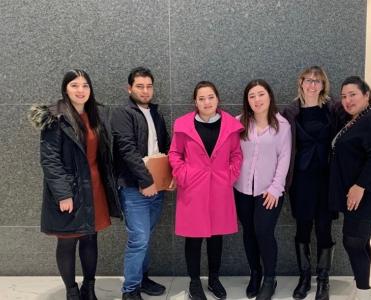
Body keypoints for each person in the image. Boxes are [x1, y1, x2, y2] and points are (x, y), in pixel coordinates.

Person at [30, 69, 121, 300]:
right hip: (70, 189)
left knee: (90, 237)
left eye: (85, 86)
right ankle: (72, 291)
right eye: (74, 85)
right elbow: (49, 160)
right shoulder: (56, 117)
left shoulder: (97, 115)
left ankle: (89, 288)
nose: (81, 90)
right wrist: (63, 194)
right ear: (65, 89)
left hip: (95, 187)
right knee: (68, 240)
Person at [168, 81, 244, 300]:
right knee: (193, 238)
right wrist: (183, 175)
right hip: (193, 189)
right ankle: (194, 282)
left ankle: (213, 278)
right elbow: (174, 154)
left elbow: (236, 155)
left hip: (220, 188)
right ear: (195, 102)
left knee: (216, 237)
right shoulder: (183, 125)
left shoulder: (230, 125)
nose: (206, 102)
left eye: (210, 97)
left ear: (217, 99)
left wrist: (229, 176)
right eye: (201, 98)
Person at [281, 66, 343, 300]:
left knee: (324, 228)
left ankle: (323, 279)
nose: (313, 85)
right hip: (301, 179)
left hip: (327, 179)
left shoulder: (333, 108)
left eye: (318, 81)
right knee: (303, 227)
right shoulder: (291, 111)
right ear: (301, 82)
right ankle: (305, 277)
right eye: (309, 80)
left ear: (323, 85)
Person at [329, 76, 371, 300]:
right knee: (360, 241)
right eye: (344, 96)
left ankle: (363, 291)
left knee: (353, 241)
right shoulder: (356, 119)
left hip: (366, 195)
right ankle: (361, 284)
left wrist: (361, 185)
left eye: (353, 94)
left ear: (367, 95)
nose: (347, 100)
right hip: (356, 193)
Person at [111, 67, 171, 300]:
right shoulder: (123, 113)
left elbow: (164, 149)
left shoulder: (156, 113)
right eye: (140, 86)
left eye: (149, 86)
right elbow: (126, 150)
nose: (145, 91)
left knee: (146, 236)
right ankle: (130, 290)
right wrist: (146, 181)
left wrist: (168, 179)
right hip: (134, 187)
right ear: (129, 88)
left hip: (157, 186)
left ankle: (142, 279)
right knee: (139, 239)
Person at [234, 79, 291, 300]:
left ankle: (270, 278)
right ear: (247, 101)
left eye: (261, 94)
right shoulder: (239, 123)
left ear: (269, 96)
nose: (257, 100)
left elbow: (284, 157)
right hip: (241, 189)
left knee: (264, 232)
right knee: (249, 232)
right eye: (252, 96)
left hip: (269, 191)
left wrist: (276, 188)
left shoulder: (282, 125)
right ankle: (255, 274)